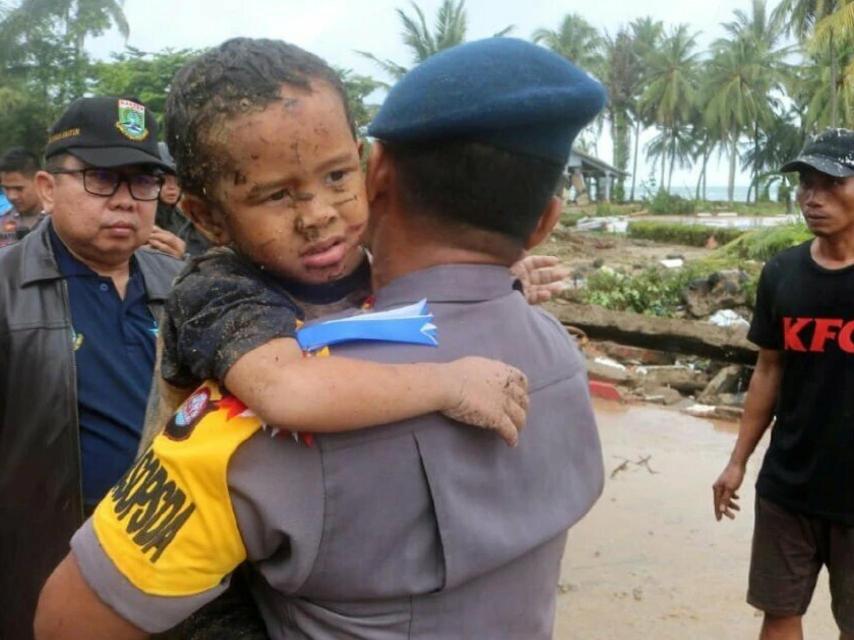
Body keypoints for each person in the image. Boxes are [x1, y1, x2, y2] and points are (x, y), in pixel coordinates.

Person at [36, 37, 605, 639]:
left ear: (371, 169)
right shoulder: (218, 293)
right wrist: (448, 380)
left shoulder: (336, 267)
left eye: (337, 176)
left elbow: (67, 623)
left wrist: (506, 275)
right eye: (276, 195)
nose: (316, 215)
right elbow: (285, 387)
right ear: (206, 218)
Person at [0, 96, 183, 640]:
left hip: (178, 567)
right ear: (49, 187)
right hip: (52, 571)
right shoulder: (7, 293)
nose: (126, 202)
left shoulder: (183, 285)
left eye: (144, 181)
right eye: (103, 178)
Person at [713, 128, 854, 640]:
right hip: (788, 484)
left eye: (831, 183)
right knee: (779, 612)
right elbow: (769, 369)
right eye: (805, 184)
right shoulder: (782, 274)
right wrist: (737, 461)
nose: (813, 198)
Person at [0, 147, 46, 246]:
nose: (11, 196)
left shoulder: (59, 220)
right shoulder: (3, 223)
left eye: (18, 189)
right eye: (6, 188)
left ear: (39, 181)